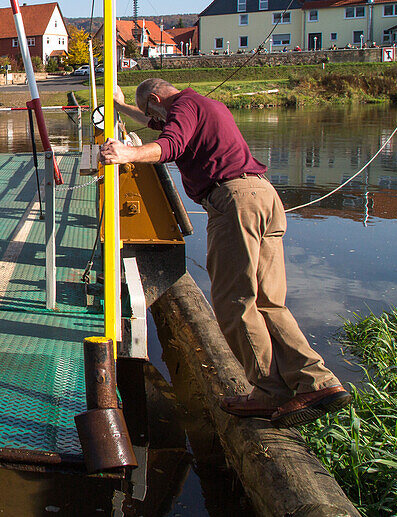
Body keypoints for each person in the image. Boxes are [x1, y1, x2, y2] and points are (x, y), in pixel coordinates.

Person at [97, 78, 351, 427]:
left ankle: (268, 392)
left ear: (158, 99)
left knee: (235, 302)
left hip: (234, 203)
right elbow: (157, 124)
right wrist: (121, 106)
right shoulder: (204, 105)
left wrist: (129, 153)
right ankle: (317, 382)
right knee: (268, 302)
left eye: (153, 110)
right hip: (264, 197)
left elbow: (170, 144)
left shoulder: (184, 107)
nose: (154, 117)